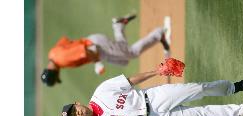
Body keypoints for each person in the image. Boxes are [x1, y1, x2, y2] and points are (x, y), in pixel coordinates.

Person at [61, 64, 243, 116]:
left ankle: (231, 88)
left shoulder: (102, 91)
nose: (77, 113)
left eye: (74, 110)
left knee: (198, 89)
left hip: (154, 97)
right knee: (202, 114)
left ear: (77, 104)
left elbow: (129, 81)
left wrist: (156, 71)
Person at [41, 14, 171, 86]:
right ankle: (119, 25)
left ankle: (159, 34)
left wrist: (97, 62)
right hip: (96, 47)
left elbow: (85, 50)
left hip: (97, 47)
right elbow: (67, 41)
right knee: (124, 61)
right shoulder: (52, 53)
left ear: (55, 74)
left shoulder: (62, 60)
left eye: (57, 76)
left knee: (131, 53)